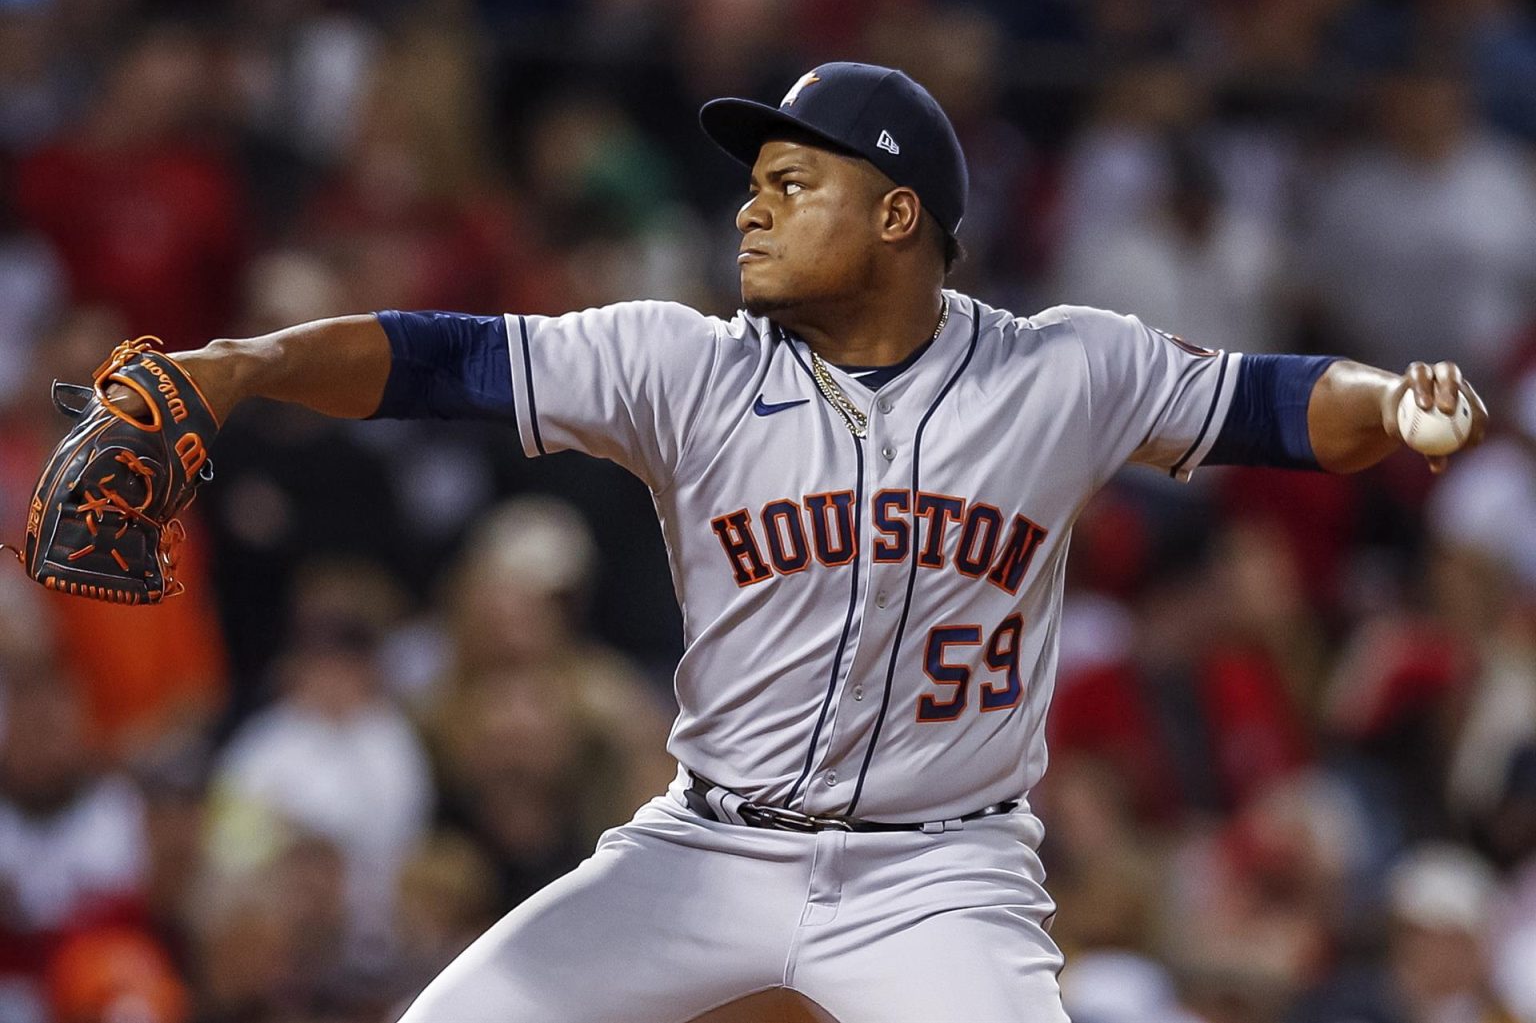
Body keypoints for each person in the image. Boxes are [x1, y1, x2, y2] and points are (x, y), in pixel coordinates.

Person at [106, 62, 1488, 1023]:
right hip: (706, 852)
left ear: (898, 216)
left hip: (940, 874)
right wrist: (240, 363)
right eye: (752, 182)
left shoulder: (1066, 370)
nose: (750, 208)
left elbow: (1276, 403)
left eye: (789, 181)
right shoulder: (684, 362)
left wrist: (1394, 398)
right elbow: (436, 359)